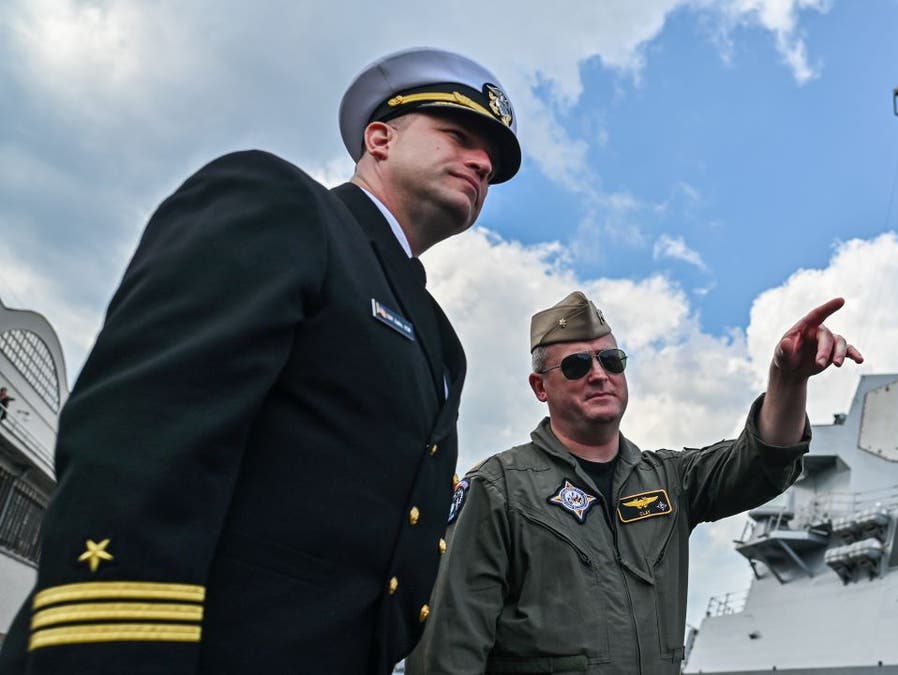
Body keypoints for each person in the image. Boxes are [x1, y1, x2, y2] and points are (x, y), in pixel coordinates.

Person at [0, 47, 521, 675]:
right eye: (458, 136)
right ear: (379, 138)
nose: (483, 163)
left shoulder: (439, 339)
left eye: (491, 162)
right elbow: (144, 436)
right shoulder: (282, 205)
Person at [407, 291, 863, 674]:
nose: (599, 374)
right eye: (576, 365)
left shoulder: (670, 481)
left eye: (611, 359)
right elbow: (448, 649)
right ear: (540, 387)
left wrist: (788, 378)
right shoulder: (498, 489)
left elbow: (761, 461)